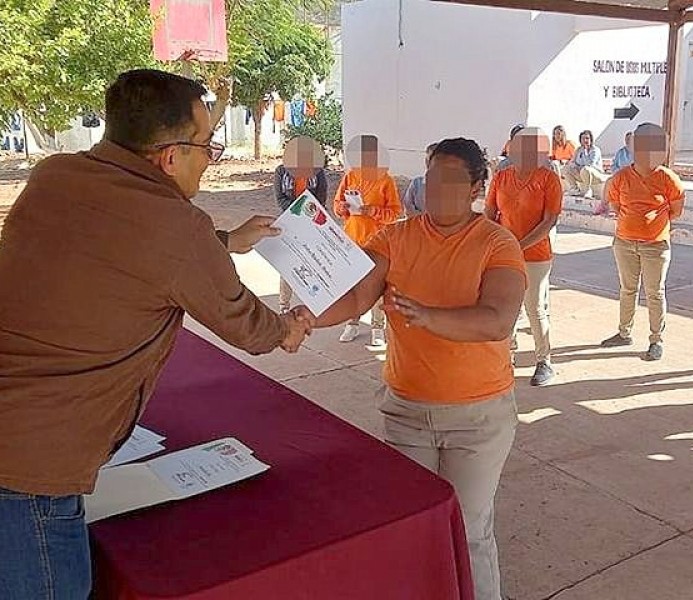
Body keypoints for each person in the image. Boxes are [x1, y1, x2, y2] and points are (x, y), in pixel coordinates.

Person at [0, 69, 312, 599]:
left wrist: (226, 241)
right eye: (207, 148)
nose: (209, 162)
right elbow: (245, 324)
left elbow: (120, 240)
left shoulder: (55, 175)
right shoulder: (175, 226)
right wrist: (287, 327)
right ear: (171, 157)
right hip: (33, 468)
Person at [298, 138, 526, 600]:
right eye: (432, 179)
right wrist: (298, 319)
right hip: (406, 414)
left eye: (451, 181)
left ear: (477, 187)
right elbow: (355, 298)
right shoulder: (394, 238)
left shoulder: (497, 243)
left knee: (469, 530)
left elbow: (497, 320)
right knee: (412, 524)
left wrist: (428, 317)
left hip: (477, 420)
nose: (438, 189)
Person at [600, 122, 686, 361]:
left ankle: (656, 339)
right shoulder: (620, 178)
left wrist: (652, 223)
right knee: (628, 289)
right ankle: (623, 332)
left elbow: (676, 210)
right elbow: (616, 205)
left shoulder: (669, 179)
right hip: (625, 242)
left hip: (655, 246)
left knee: (655, 293)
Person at [485, 127, 561, 386]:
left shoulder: (548, 178)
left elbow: (549, 220)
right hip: (505, 254)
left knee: (535, 307)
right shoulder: (501, 177)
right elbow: (490, 211)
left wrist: (520, 244)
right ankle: (507, 356)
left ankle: (544, 361)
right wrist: (494, 242)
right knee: (508, 307)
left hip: (536, 255)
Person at [333, 134, 401, 347]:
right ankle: (352, 324)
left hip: (377, 243)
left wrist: (373, 211)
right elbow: (337, 204)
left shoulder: (386, 180)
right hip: (352, 240)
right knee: (352, 285)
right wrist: (341, 208)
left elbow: (395, 213)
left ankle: (377, 328)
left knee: (375, 285)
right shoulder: (350, 177)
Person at [274, 135, 329, 313]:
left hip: (312, 222)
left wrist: (308, 213)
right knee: (288, 266)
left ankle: (312, 304)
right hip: (289, 223)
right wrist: (295, 212)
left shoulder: (318, 172)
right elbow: (280, 198)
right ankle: (284, 305)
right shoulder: (281, 172)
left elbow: (321, 197)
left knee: (313, 263)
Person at [562, 130, 606, 199]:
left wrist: (585, 151)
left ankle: (588, 190)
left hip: (594, 175)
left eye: (587, 138)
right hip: (580, 173)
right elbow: (572, 162)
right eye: (583, 138)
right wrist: (575, 166)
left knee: (585, 169)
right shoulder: (579, 150)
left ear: (591, 139)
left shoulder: (595, 150)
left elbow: (590, 164)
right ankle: (574, 189)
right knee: (566, 168)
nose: (585, 140)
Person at [402, 142, 438, 217]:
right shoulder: (416, 184)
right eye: (427, 158)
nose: (429, 162)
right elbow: (408, 208)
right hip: (417, 227)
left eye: (433, 158)